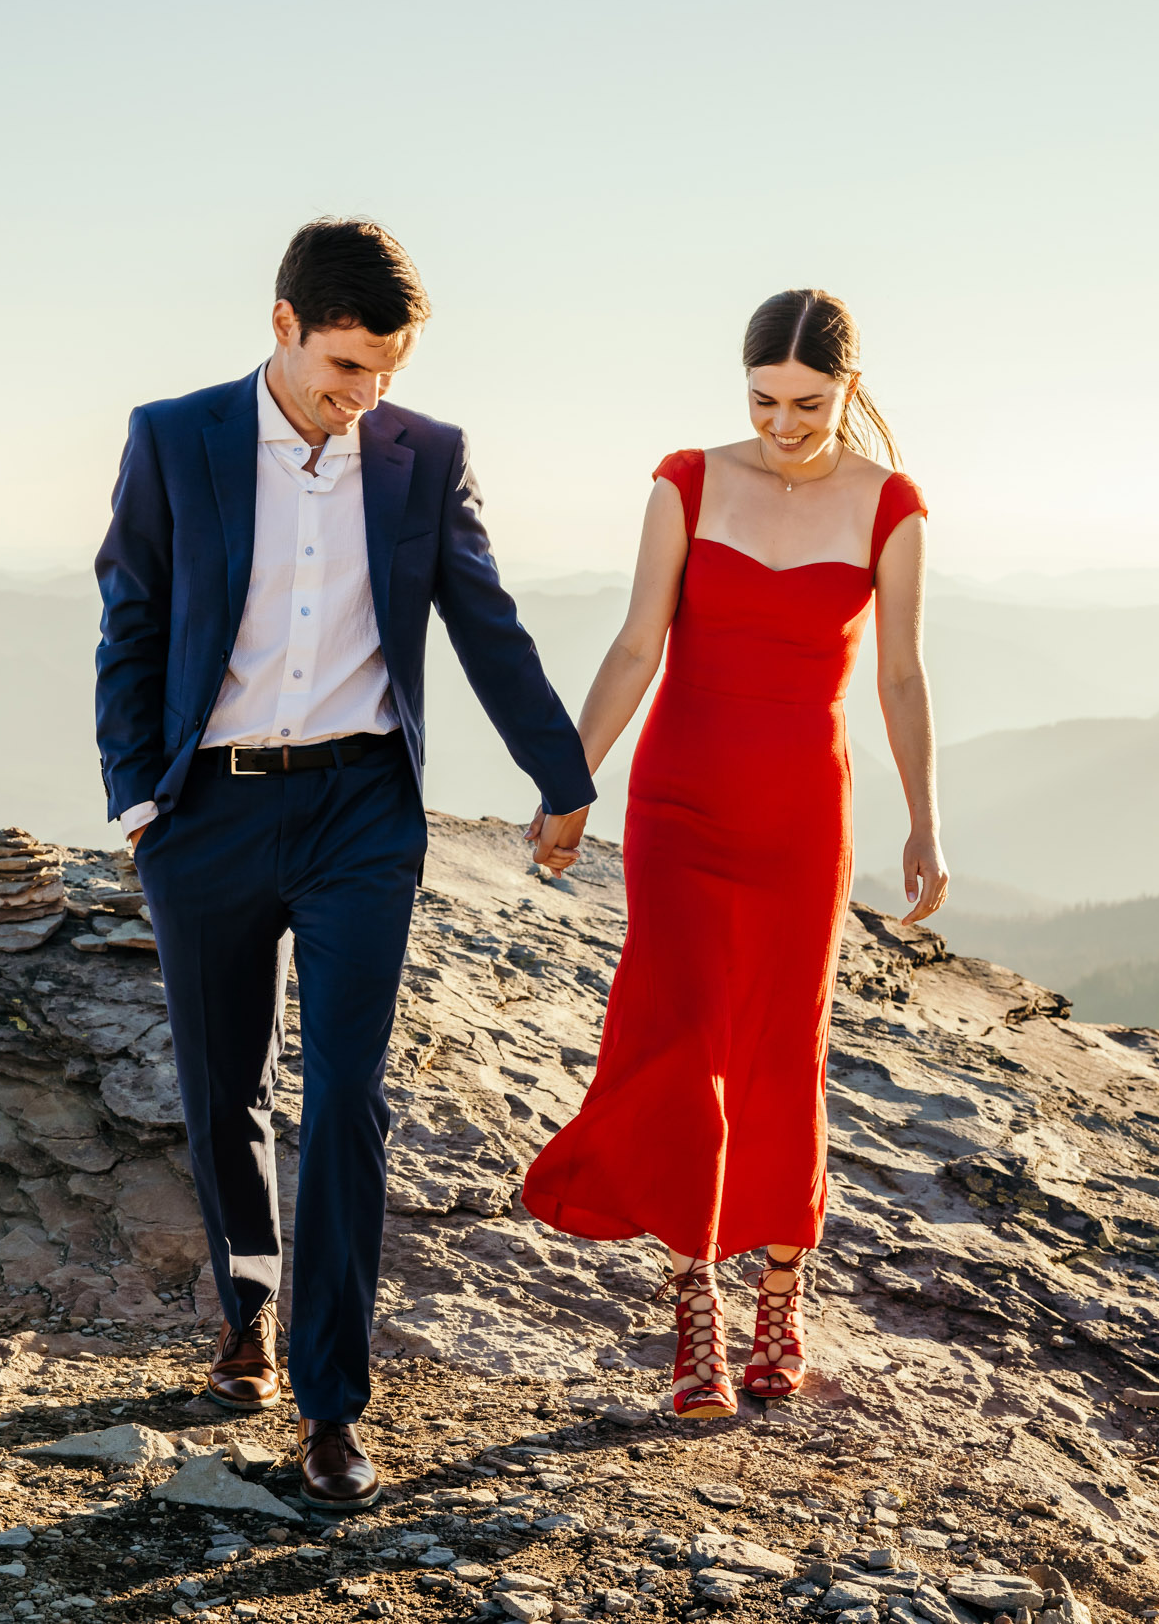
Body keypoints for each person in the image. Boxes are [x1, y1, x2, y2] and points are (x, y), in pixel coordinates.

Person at [93, 219, 593, 1505]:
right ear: (281, 325)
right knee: (224, 1086)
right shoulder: (173, 435)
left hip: (363, 812)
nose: (362, 396)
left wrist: (562, 774)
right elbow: (131, 620)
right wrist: (137, 800)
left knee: (349, 1099)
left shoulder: (426, 457)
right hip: (207, 808)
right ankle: (246, 1304)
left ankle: (331, 1404)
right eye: (341, 367)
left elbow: (485, 619)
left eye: (384, 371)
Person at [520, 288, 948, 1416]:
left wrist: (924, 818)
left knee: (778, 1045)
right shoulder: (688, 481)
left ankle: (782, 1289)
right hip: (681, 803)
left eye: (809, 402)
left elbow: (900, 675)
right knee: (680, 1035)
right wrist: (569, 781)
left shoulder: (889, 505)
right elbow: (632, 644)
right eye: (763, 399)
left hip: (805, 812)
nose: (784, 422)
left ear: (850, 388)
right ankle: (695, 1301)